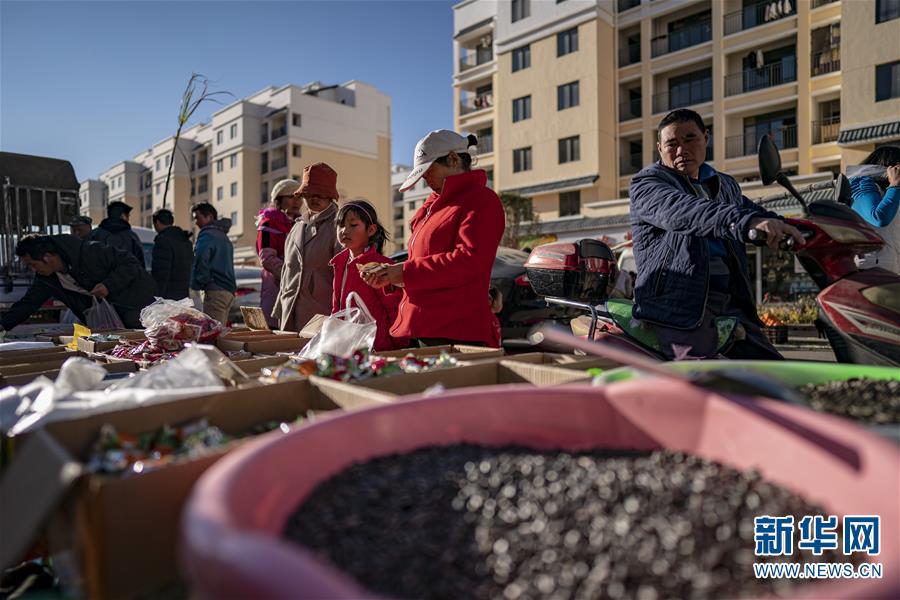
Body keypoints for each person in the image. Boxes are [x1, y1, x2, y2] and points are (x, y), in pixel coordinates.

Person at [629, 109, 804, 360]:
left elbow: (751, 211)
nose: (681, 150)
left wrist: (797, 226)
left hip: (731, 300)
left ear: (705, 138)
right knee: (704, 379)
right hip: (679, 304)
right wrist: (746, 222)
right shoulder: (647, 184)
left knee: (775, 374)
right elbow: (683, 211)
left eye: (690, 139)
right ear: (659, 148)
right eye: (672, 144)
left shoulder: (725, 184)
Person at [363, 130, 505, 348]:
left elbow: (470, 260)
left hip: (456, 330)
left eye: (429, 170)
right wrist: (392, 277)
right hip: (426, 325)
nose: (426, 179)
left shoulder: (481, 200)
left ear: (453, 159)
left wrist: (403, 272)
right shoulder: (436, 205)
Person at [0, 234, 156, 333]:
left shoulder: (89, 252)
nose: (32, 269)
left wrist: (108, 285)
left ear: (47, 257)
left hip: (136, 309)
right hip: (107, 323)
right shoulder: (46, 279)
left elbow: (130, 263)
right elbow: (29, 303)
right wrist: (3, 325)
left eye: (32, 264)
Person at [272, 163, 343, 332]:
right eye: (309, 194)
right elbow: (287, 272)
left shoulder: (339, 225)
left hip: (321, 313)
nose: (314, 199)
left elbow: (343, 274)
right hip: (290, 309)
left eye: (321, 195)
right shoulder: (297, 226)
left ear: (330, 196)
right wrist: (280, 307)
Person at [329, 200, 408, 351]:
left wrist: (396, 344)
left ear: (371, 230)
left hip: (377, 345)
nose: (344, 230)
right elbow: (337, 307)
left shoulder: (381, 266)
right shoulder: (339, 263)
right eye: (340, 225)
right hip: (346, 344)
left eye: (353, 225)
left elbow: (394, 308)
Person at [847, 146, 900, 273]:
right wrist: (894, 185)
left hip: (893, 267)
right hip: (871, 266)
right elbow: (879, 218)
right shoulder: (861, 183)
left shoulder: (894, 193)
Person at [257, 179, 302, 328]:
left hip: (299, 285)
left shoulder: (301, 224)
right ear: (279, 200)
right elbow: (267, 259)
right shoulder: (268, 223)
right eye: (291, 197)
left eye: (299, 197)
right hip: (276, 284)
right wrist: (290, 275)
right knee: (278, 328)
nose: (297, 201)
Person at [190, 203, 236, 324]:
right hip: (228, 291)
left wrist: (198, 283)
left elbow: (201, 259)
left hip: (215, 291)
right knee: (219, 333)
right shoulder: (222, 236)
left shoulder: (207, 234)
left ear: (209, 217)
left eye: (198, 218)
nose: (196, 222)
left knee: (212, 335)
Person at [151, 208, 193, 300]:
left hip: (168, 298)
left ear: (157, 222)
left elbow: (161, 273)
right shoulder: (186, 241)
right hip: (183, 296)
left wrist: (156, 298)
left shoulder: (163, 241)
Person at [89, 201, 145, 267]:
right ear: (123, 216)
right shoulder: (131, 237)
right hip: (127, 276)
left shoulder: (94, 234)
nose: (128, 219)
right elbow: (140, 264)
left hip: (99, 276)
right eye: (128, 216)